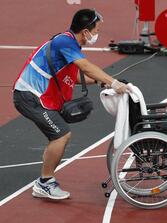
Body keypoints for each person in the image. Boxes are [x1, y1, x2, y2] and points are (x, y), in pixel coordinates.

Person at [12, 9, 131, 200]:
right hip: (30, 97)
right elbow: (85, 67)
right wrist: (113, 83)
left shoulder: (69, 44)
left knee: (59, 134)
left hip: (34, 97)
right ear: (85, 32)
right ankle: (45, 183)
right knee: (61, 135)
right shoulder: (65, 41)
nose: (97, 35)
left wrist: (103, 81)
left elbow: (74, 76)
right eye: (96, 30)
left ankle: (46, 178)